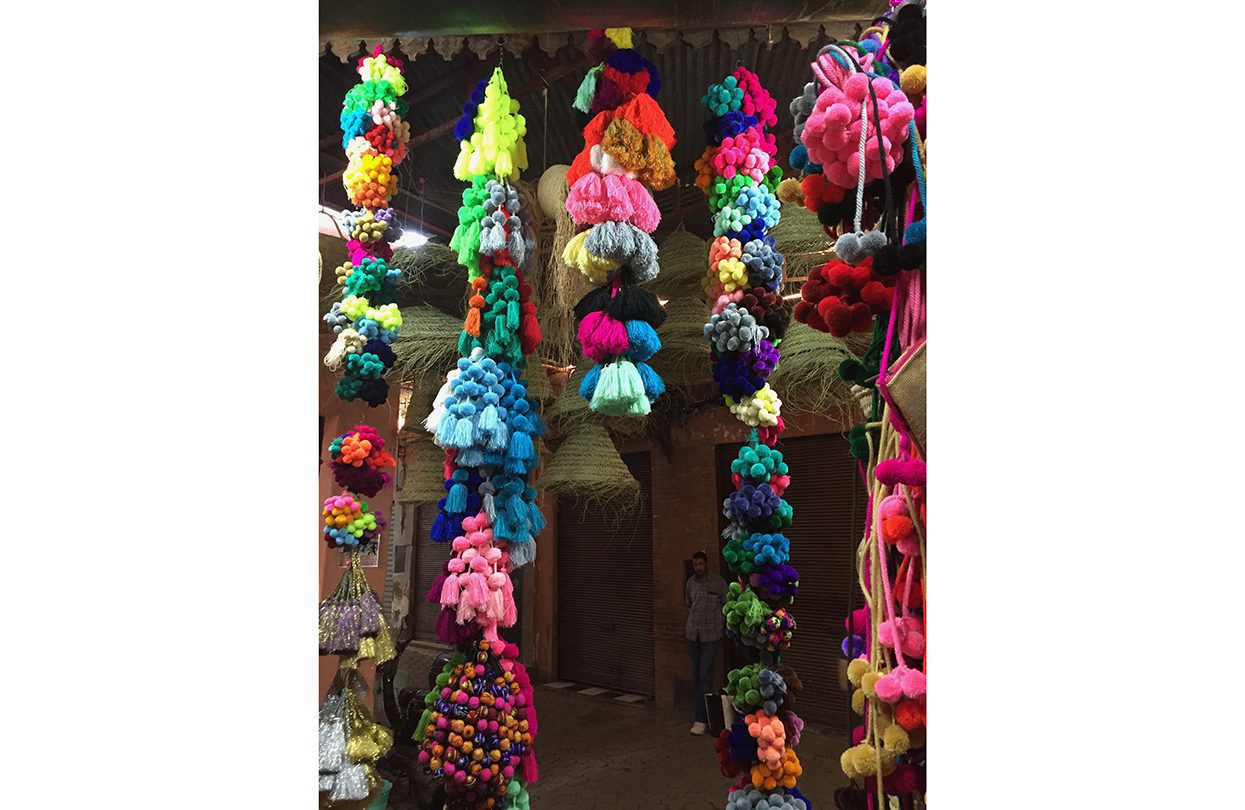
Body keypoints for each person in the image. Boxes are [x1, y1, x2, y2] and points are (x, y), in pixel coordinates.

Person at [685, 550, 727, 735]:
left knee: (705, 675)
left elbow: (726, 605)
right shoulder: (691, 583)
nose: (698, 567)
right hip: (694, 634)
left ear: (706, 564)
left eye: (700, 564)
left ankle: (701, 719)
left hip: (711, 635)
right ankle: (702, 716)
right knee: (696, 676)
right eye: (695, 565)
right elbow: (689, 603)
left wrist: (720, 626)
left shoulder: (718, 583)